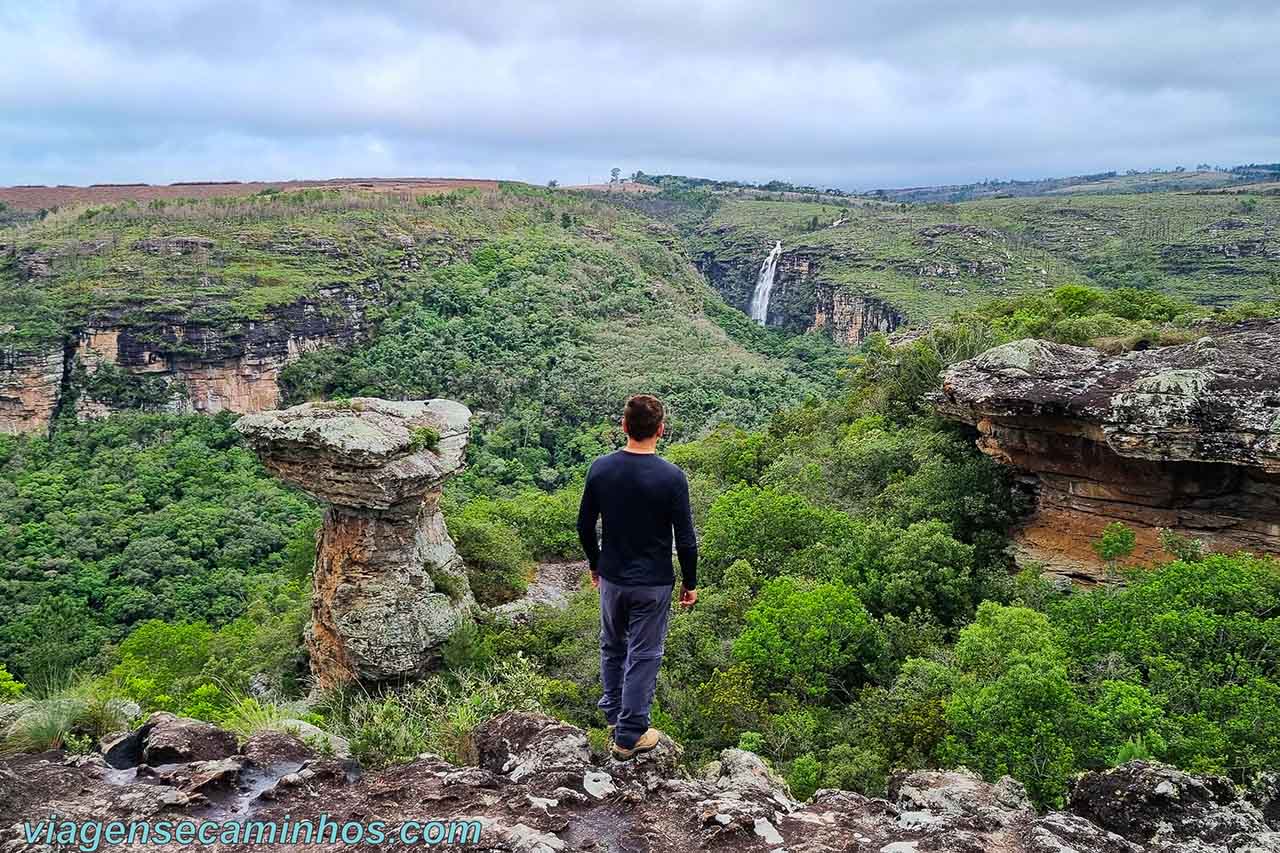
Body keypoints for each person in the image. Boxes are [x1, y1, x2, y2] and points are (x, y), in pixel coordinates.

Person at [576, 394, 697, 760]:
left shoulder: (601, 468)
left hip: (613, 578)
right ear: (661, 430)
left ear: (624, 426)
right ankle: (629, 736)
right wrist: (690, 583)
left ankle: (616, 718)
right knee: (644, 654)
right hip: (653, 583)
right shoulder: (672, 477)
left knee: (612, 646)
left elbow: (584, 525)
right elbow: (686, 539)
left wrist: (596, 564)